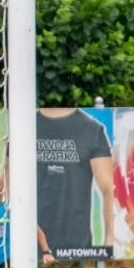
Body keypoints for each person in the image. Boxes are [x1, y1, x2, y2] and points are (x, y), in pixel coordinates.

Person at [35, 107, 115, 257]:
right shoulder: (23, 127)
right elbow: (8, 187)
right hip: (28, 242)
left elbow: (109, 188)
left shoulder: (92, 129)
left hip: (76, 246)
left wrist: (109, 240)